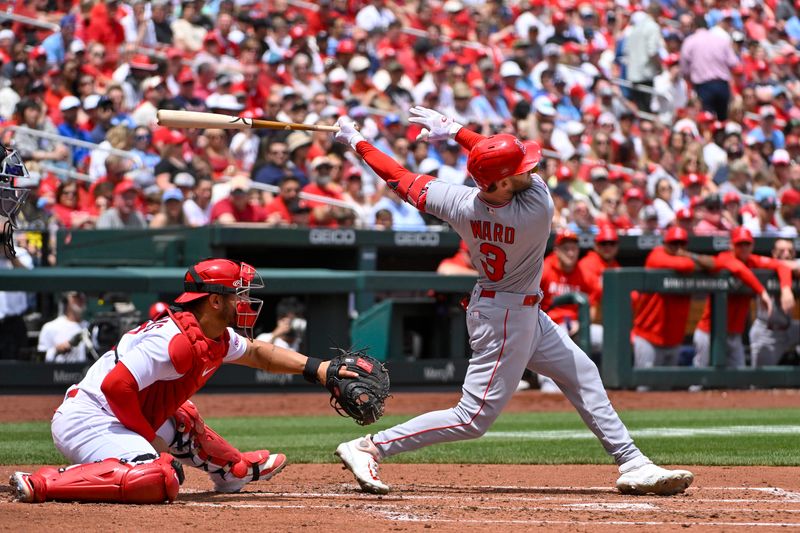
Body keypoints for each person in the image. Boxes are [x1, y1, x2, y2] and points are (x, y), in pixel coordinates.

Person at [331, 107, 694, 497]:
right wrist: (455, 130)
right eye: (519, 168)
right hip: (505, 317)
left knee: (582, 373)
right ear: (501, 183)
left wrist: (356, 141)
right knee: (472, 419)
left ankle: (632, 462)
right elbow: (494, 163)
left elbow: (398, 178)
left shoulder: (460, 203)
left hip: (514, 309)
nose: (529, 170)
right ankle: (371, 446)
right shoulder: (536, 205)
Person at [11, 258, 357, 503]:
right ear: (215, 301)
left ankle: (232, 470)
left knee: (183, 416)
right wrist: (144, 437)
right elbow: (115, 386)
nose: (246, 300)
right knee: (156, 479)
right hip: (89, 420)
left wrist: (319, 369)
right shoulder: (174, 342)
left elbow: (258, 353)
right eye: (238, 294)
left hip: (118, 414)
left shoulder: (213, 334)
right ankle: (43, 483)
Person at [631, 227, 766, 371]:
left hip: (674, 341)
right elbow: (684, 264)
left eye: (681, 244)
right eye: (673, 243)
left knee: (668, 389)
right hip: (648, 337)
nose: (678, 248)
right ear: (664, 243)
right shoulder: (656, 255)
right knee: (644, 387)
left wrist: (694, 260)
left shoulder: (688, 257)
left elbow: (719, 264)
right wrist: (698, 262)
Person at [693, 228, 793, 369]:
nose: (744, 248)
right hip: (709, 332)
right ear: (732, 245)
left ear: (752, 245)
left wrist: (786, 288)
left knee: (739, 384)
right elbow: (739, 269)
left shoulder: (753, 260)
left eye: (747, 244)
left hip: (734, 334)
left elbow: (781, 266)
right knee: (700, 381)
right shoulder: (724, 257)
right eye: (740, 244)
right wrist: (762, 292)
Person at [748, 238, 800, 366]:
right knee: (760, 382)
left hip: (789, 328)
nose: (787, 254)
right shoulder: (765, 266)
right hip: (767, 332)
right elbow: (779, 265)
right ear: (773, 253)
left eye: (790, 251)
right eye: (782, 251)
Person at [38, 291, 95, 363]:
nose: (81, 299)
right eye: (76, 296)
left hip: (84, 372)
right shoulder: (50, 327)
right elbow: (40, 358)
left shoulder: (90, 327)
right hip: (58, 373)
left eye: (83, 296)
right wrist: (56, 350)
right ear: (66, 300)